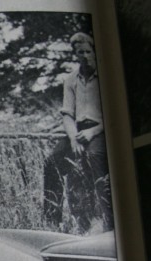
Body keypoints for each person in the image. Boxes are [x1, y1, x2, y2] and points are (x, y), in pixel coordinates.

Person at [43, 32, 112, 231]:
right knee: (52, 162)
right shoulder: (71, 79)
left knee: (94, 157)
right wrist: (73, 138)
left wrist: (93, 132)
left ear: (95, 51)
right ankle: (52, 219)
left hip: (100, 130)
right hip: (78, 131)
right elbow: (67, 114)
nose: (84, 56)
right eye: (79, 52)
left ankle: (106, 218)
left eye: (88, 51)